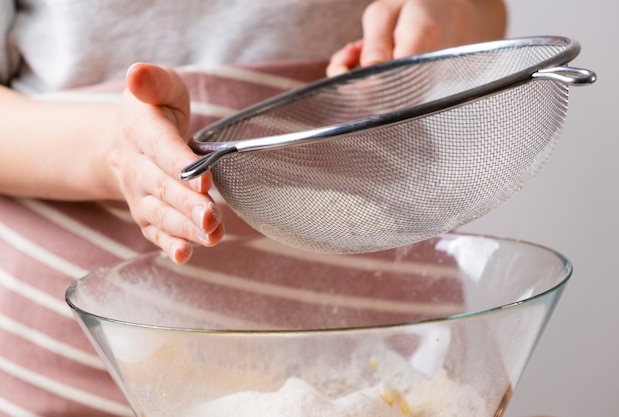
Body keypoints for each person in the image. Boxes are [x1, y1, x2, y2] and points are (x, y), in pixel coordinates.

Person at [0, 1, 506, 415]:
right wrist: (111, 152)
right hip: (98, 359)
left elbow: (481, 11)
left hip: (398, 348)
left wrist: (439, 18)